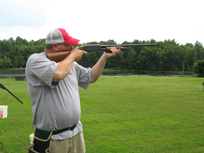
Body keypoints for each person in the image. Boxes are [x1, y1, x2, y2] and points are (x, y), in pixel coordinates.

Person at [26, 28, 121, 153]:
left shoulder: (70, 64)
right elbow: (58, 74)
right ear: (55, 46)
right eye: (69, 45)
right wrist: (72, 56)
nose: (72, 48)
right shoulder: (36, 60)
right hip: (52, 138)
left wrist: (104, 57)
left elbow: (91, 76)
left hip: (76, 133)